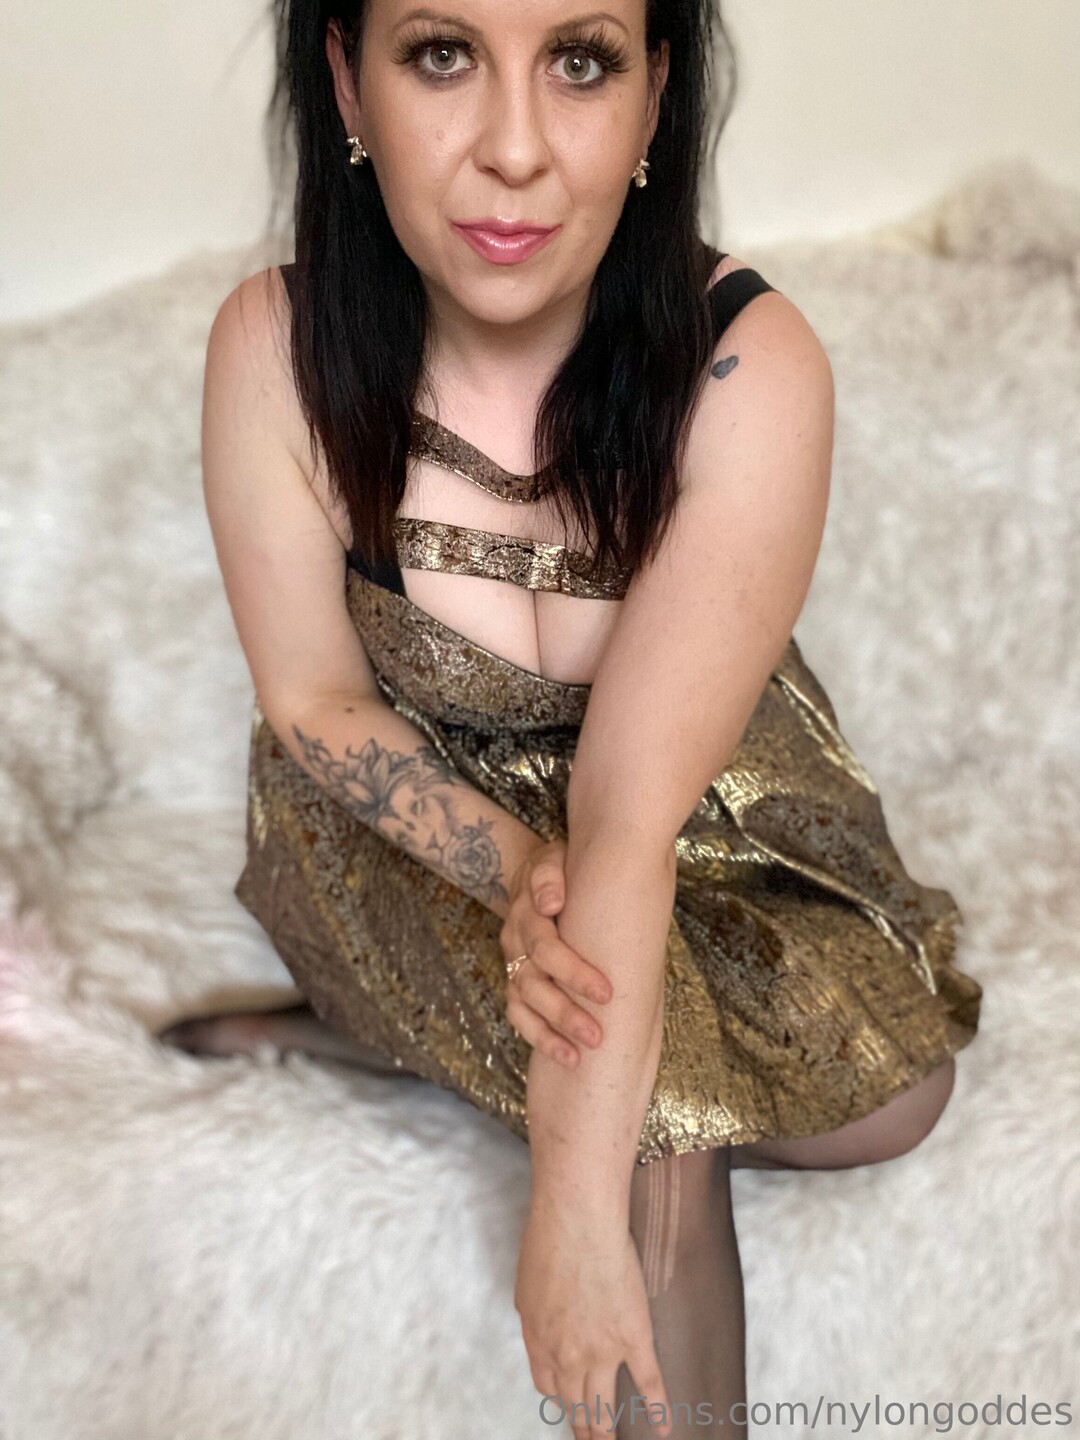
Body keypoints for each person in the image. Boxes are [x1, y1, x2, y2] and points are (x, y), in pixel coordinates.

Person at [160, 1, 983, 1435]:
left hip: (687, 820)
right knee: (659, 1094)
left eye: (582, 63)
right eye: (442, 55)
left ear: (654, 97)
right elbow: (314, 695)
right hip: (420, 831)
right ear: (346, 83)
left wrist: (571, 1185)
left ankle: (397, 1051)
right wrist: (582, 1192)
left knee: (896, 1103)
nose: (516, 149)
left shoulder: (748, 366)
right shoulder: (273, 349)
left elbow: (625, 818)